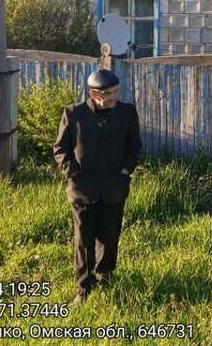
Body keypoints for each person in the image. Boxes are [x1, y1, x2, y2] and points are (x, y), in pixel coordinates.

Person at [53, 69, 141, 306]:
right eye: (107, 93)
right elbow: (61, 149)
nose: (113, 97)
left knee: (110, 237)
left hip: (114, 187)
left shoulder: (127, 112)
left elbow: (134, 145)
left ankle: (105, 278)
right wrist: (72, 174)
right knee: (83, 240)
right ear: (93, 93)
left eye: (115, 92)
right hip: (83, 189)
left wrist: (126, 170)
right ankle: (83, 289)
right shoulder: (74, 113)